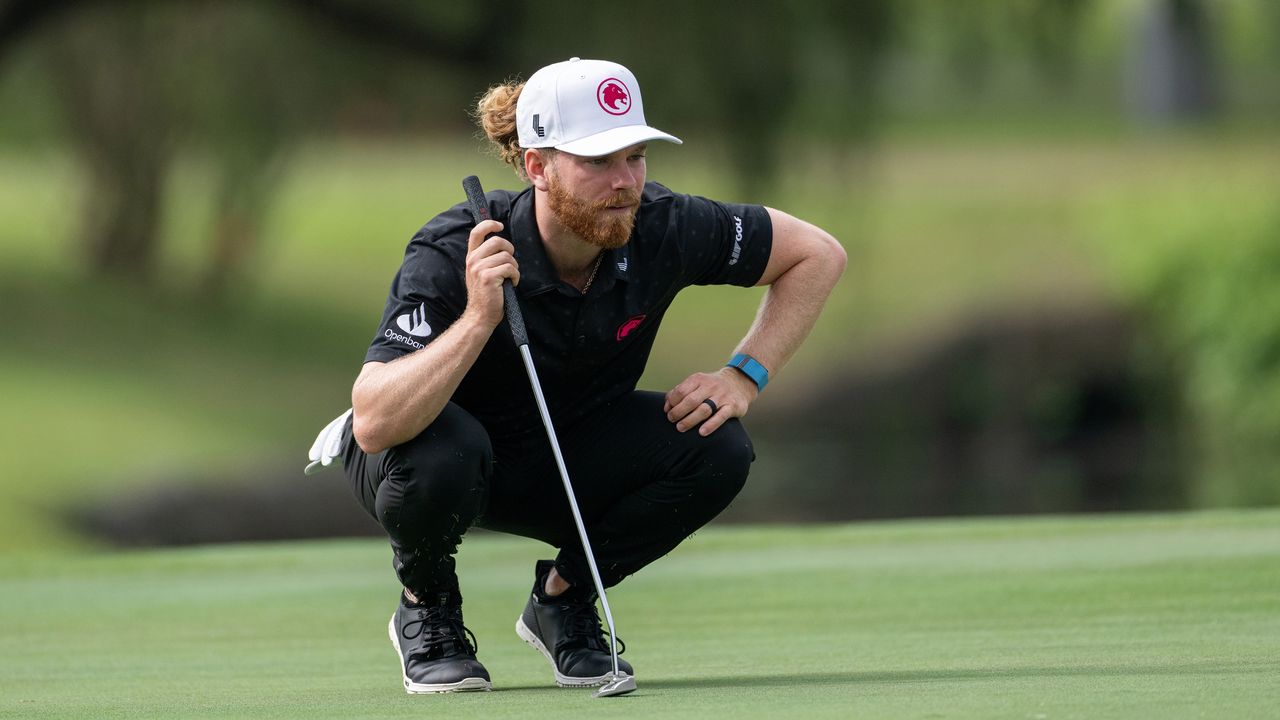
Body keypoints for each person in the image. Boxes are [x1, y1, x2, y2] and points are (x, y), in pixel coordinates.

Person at [308, 57, 846, 694]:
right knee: (446, 450)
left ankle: (563, 601)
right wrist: (480, 316)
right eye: (597, 162)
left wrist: (744, 375)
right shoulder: (456, 245)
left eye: (635, 156)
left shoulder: (663, 225)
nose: (624, 182)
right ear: (537, 166)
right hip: (428, 457)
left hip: (562, 454)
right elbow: (373, 421)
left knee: (719, 446)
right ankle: (426, 607)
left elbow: (817, 255)